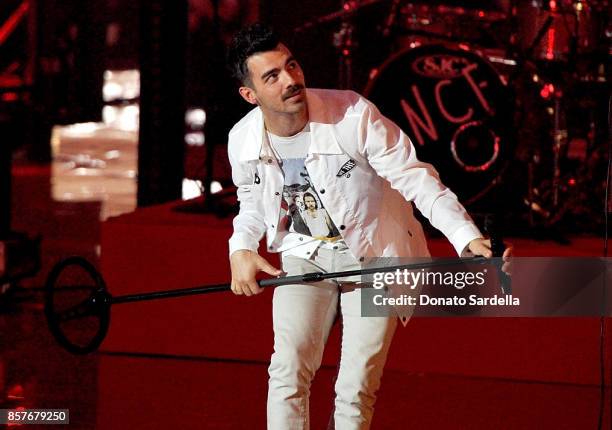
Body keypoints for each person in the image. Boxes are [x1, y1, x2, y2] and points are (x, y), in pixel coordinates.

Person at [226, 23, 511, 430]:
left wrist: (466, 238)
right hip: (306, 255)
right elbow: (252, 202)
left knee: (355, 387)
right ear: (250, 94)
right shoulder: (243, 139)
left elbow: (416, 178)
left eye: (291, 65)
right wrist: (241, 248)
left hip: (376, 257)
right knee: (287, 372)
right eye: (272, 76)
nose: (291, 80)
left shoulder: (352, 115)